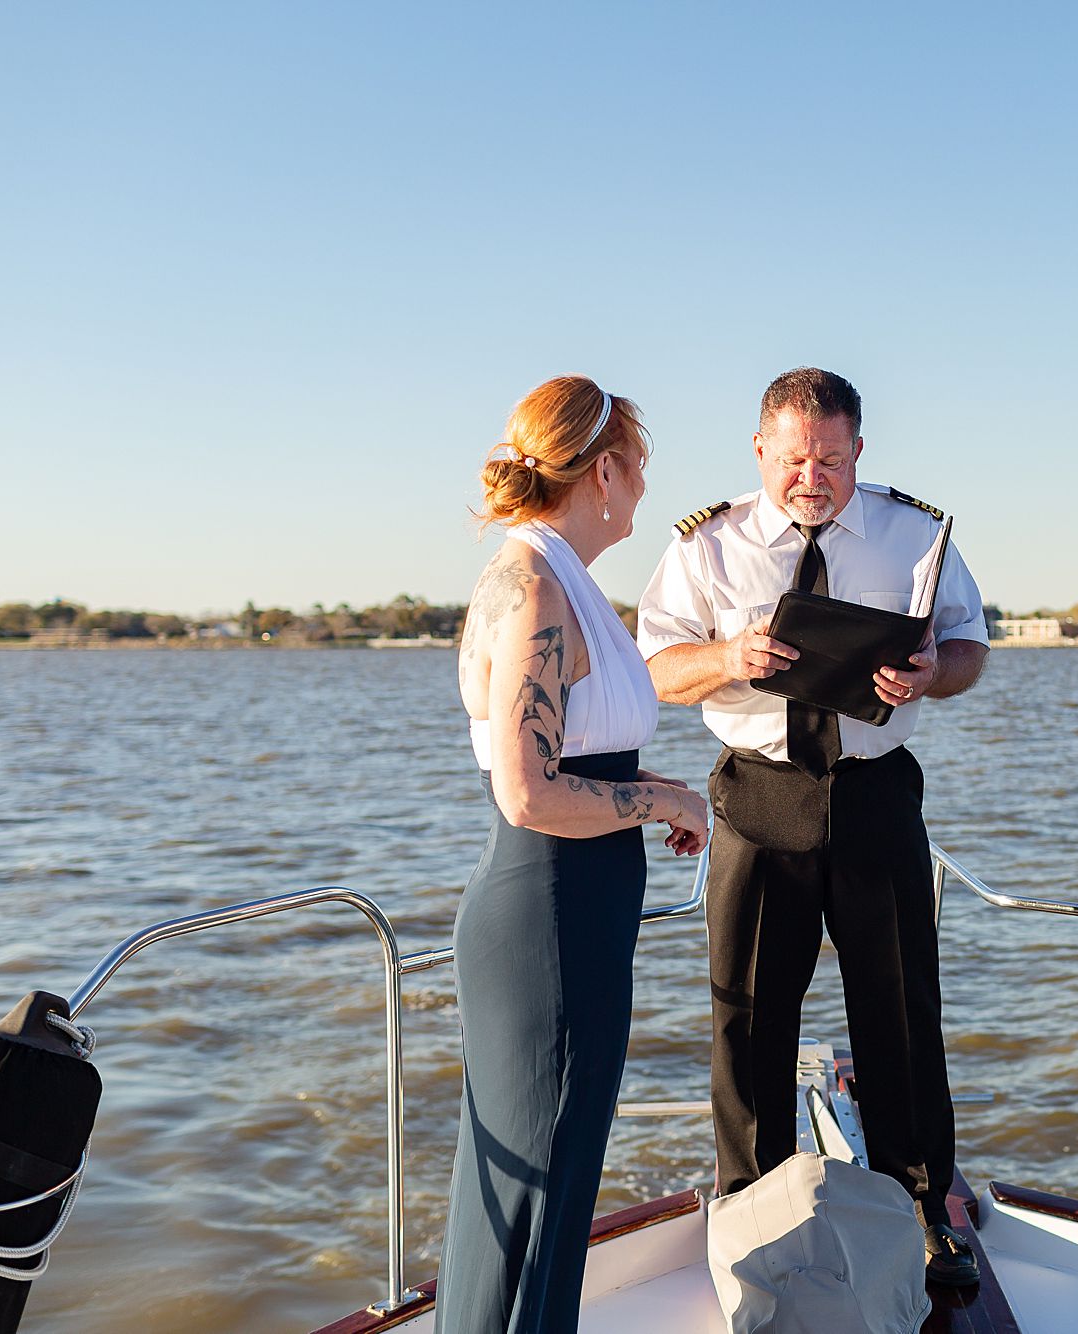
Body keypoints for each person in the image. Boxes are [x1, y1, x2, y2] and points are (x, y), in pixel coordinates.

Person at [635, 367, 989, 1287]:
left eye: (831, 459)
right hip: (758, 796)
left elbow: (969, 646)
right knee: (747, 1018)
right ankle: (754, 1220)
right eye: (795, 459)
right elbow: (655, 669)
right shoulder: (707, 549)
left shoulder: (917, 535)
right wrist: (728, 655)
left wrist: (928, 676)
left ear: (859, 451)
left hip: (875, 796)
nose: (812, 477)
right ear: (761, 451)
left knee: (902, 1012)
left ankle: (921, 1212)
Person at [440, 375, 710, 1334]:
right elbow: (529, 788)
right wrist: (665, 798)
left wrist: (643, 800)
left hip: (577, 914)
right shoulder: (537, 587)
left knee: (538, 1195)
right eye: (639, 466)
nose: (644, 487)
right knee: (534, 1200)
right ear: (605, 470)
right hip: (547, 919)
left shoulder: (560, 578)